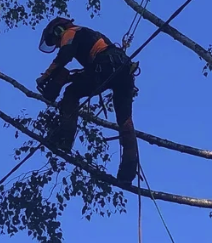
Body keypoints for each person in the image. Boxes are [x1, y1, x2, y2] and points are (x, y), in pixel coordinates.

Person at [35, 17, 139, 184]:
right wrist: (68, 77)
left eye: (55, 40)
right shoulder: (88, 36)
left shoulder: (70, 32)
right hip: (122, 69)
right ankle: (128, 169)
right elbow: (89, 70)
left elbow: (64, 56)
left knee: (71, 93)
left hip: (105, 66)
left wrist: (46, 77)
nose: (57, 44)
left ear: (58, 30)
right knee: (125, 120)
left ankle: (64, 139)